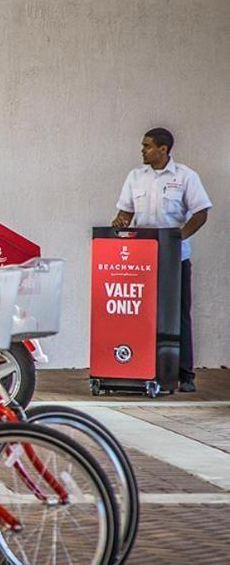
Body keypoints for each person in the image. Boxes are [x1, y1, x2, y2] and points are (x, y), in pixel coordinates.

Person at [112, 127, 212, 393]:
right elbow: (125, 213)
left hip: (174, 258)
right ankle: (143, 368)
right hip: (140, 259)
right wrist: (120, 221)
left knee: (178, 314)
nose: (142, 150)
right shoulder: (135, 177)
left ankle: (185, 374)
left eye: (147, 146)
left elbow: (201, 213)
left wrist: (179, 237)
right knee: (142, 313)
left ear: (163, 149)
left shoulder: (185, 176)